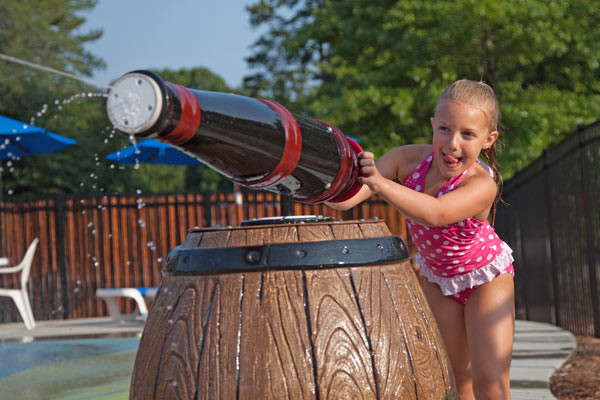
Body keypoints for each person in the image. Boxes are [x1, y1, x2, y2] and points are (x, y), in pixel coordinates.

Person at [328, 79, 515, 400]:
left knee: (490, 381)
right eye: (444, 129)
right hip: (439, 279)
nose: (453, 143)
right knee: (458, 379)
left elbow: (436, 213)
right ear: (433, 125)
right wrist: (320, 178)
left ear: (488, 139)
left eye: (468, 134)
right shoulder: (408, 159)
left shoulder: (482, 184)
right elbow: (344, 199)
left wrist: (380, 184)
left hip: (488, 277)